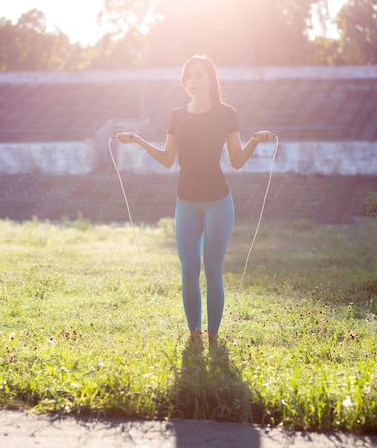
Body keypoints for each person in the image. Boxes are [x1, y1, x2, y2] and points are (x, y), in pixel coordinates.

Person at [116, 55, 274, 344]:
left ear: (211, 79)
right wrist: (138, 140)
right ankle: (195, 335)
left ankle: (214, 336)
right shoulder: (177, 114)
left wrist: (254, 140)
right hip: (185, 203)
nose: (191, 80)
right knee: (189, 269)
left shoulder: (227, 114)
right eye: (188, 75)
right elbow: (167, 159)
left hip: (217, 202)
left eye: (198, 75)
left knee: (212, 269)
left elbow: (237, 161)